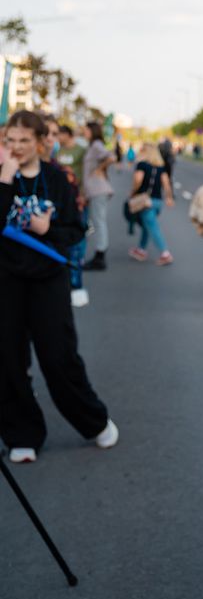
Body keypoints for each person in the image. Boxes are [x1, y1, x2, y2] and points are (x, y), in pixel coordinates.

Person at [0, 111, 118, 464]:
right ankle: (22, 433)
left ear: (40, 142)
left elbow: (75, 232)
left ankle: (92, 420)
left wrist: (45, 230)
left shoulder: (58, 179)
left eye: (23, 140)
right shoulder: (2, 177)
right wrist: (6, 178)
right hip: (6, 280)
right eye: (10, 141)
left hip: (48, 279)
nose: (17, 147)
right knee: (8, 359)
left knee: (59, 356)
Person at [53, 124, 90, 306]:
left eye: (57, 134)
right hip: (62, 196)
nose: (55, 138)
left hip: (76, 196)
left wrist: (83, 194)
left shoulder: (81, 150)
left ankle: (77, 279)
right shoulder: (57, 152)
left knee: (77, 236)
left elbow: (86, 173)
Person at [127, 142, 174, 265]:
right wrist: (169, 197)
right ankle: (141, 250)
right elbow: (166, 184)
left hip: (145, 201)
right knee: (147, 226)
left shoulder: (142, 165)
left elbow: (138, 180)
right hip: (158, 201)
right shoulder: (160, 167)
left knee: (152, 227)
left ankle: (165, 253)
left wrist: (133, 192)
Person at [81, 121, 116, 271]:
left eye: (86, 129)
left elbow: (111, 157)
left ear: (92, 130)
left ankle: (100, 256)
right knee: (94, 222)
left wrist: (100, 169)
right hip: (93, 190)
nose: (84, 132)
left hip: (98, 189)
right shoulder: (92, 145)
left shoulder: (96, 145)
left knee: (99, 222)